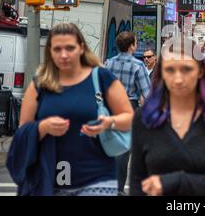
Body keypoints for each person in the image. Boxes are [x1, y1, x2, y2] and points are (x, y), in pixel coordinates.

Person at [8, 23, 134, 196]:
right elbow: (23, 131)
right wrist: (42, 127)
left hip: (97, 178)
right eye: (57, 49)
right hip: (50, 178)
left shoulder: (101, 77)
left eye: (70, 48)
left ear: (81, 48)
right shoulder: (40, 84)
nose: (64, 55)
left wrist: (108, 122)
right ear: (49, 51)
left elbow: (129, 118)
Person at [129, 37, 205, 196]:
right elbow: (137, 185)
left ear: (200, 71)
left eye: (186, 69)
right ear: (161, 73)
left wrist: (175, 182)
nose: (178, 79)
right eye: (170, 70)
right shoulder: (145, 118)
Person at [104, 31, 151, 195]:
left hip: (109, 107)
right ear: (132, 46)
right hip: (128, 107)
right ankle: (117, 188)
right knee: (123, 150)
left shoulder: (108, 63)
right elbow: (148, 93)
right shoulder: (138, 66)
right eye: (135, 43)